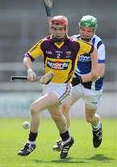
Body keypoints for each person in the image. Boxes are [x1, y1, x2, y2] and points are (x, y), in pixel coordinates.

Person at [18, 15, 98, 159]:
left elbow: (92, 50)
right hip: (48, 86)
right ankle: (67, 139)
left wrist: (94, 70)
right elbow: (28, 56)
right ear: (51, 28)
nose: (58, 32)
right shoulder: (45, 43)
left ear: (66, 29)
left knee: (35, 108)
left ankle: (31, 143)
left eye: (61, 29)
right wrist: (29, 70)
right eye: (55, 29)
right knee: (56, 116)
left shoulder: (75, 44)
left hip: (64, 88)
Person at [53, 15, 105, 151]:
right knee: (64, 107)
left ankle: (97, 126)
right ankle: (65, 139)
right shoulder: (74, 40)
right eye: (83, 29)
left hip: (92, 85)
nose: (86, 33)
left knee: (89, 117)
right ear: (79, 28)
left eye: (89, 30)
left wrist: (80, 79)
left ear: (94, 31)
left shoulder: (98, 44)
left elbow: (99, 72)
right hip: (75, 81)